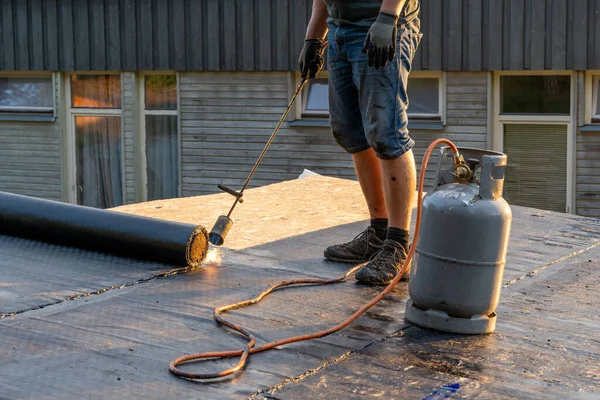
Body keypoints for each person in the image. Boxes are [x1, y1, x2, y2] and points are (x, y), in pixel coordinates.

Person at [298, 0, 422, 286]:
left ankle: (397, 245)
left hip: (381, 25)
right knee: (350, 131)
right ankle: (378, 232)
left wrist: (388, 17)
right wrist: (313, 38)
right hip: (340, 29)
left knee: (386, 132)